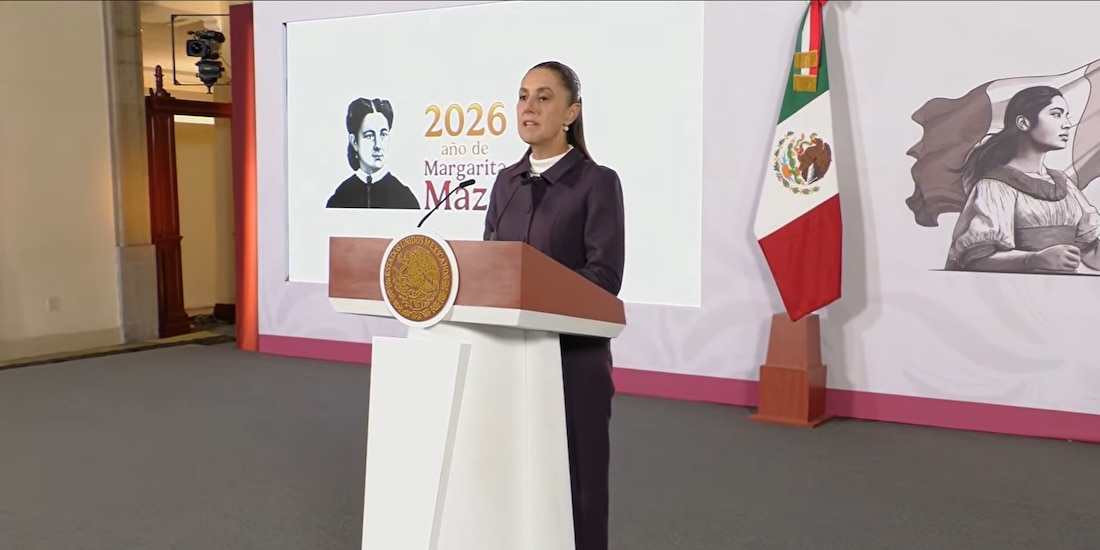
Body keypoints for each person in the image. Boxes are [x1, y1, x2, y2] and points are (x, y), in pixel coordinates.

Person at [483, 60, 625, 550]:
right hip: (509, 358)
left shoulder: (596, 182)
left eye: (544, 97)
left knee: (579, 485)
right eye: (523, 96)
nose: (528, 107)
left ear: (571, 112)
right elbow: (489, 268)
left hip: (573, 360)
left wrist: (537, 295)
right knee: (516, 479)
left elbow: (604, 277)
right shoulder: (506, 182)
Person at [946, 85, 1100, 273]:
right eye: (1056, 114)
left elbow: (1090, 251)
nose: (1067, 124)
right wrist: (1034, 260)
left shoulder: (1064, 183)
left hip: (1064, 294)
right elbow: (976, 259)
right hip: (1016, 294)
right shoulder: (995, 185)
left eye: (1066, 115)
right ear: (1023, 123)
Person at [326, 97, 420, 209]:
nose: (378, 145)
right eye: (369, 136)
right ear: (354, 141)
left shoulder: (405, 198)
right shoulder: (340, 198)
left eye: (383, 135)